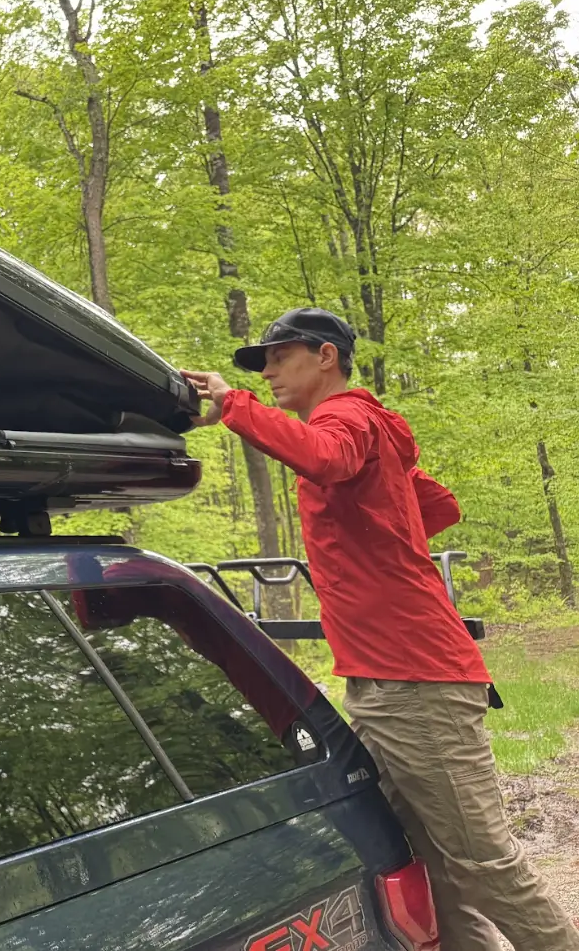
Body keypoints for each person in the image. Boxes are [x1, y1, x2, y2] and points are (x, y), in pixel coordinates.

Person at [184, 306, 578, 951]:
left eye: (280, 356)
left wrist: (236, 408)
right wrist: (380, 542)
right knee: (426, 866)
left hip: (415, 679)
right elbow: (438, 504)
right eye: (263, 366)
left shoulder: (345, 417)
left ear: (325, 356)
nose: (271, 371)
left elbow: (327, 459)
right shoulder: (376, 434)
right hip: (383, 681)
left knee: (483, 867)